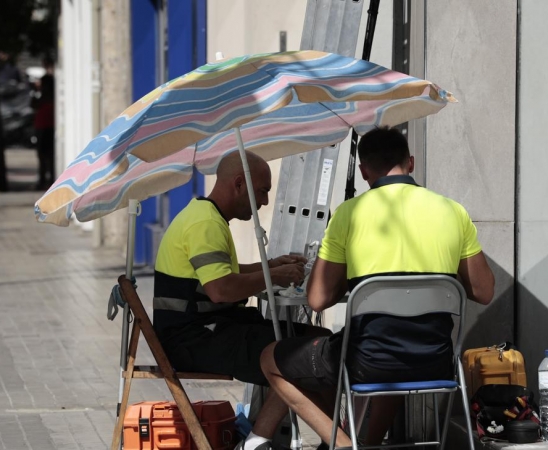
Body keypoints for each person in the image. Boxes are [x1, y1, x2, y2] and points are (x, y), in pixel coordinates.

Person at [260, 127, 496, 448]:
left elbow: (317, 300)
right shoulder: (453, 211)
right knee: (395, 357)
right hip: (434, 361)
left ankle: (343, 444)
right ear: (410, 163)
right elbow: (483, 291)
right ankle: (368, 444)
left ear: (363, 171)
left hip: (367, 362)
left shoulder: (349, 214)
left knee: (270, 358)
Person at [152, 150, 330, 450]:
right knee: (303, 354)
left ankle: (328, 437)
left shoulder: (205, 216)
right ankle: (258, 441)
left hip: (208, 330)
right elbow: (221, 289)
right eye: (262, 192)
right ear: (238, 184)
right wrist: (274, 276)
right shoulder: (204, 224)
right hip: (194, 339)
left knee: (320, 341)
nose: (264, 202)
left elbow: (224, 274)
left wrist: (271, 266)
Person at [33, 57, 55, 189]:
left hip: (45, 125)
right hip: (44, 124)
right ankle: (45, 179)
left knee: (45, 154)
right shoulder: (44, 99)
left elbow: (34, 104)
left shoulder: (46, 99)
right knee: (45, 154)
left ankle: (46, 179)